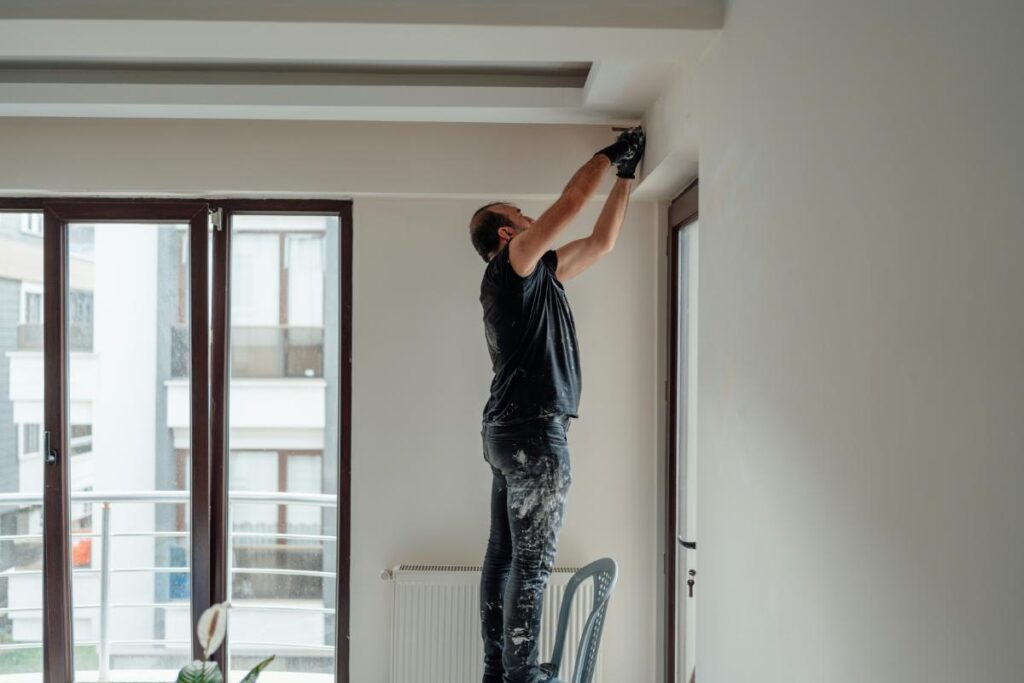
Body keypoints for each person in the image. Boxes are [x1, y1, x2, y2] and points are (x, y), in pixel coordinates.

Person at [469, 127, 646, 683]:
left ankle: (501, 671)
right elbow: (570, 206)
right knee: (533, 562)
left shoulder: (537, 276)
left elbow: (600, 242)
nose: (529, 217)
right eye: (521, 214)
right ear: (508, 230)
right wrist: (610, 152)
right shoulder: (510, 266)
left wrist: (625, 176)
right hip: (531, 435)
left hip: (508, 433)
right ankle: (521, 675)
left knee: (504, 556)